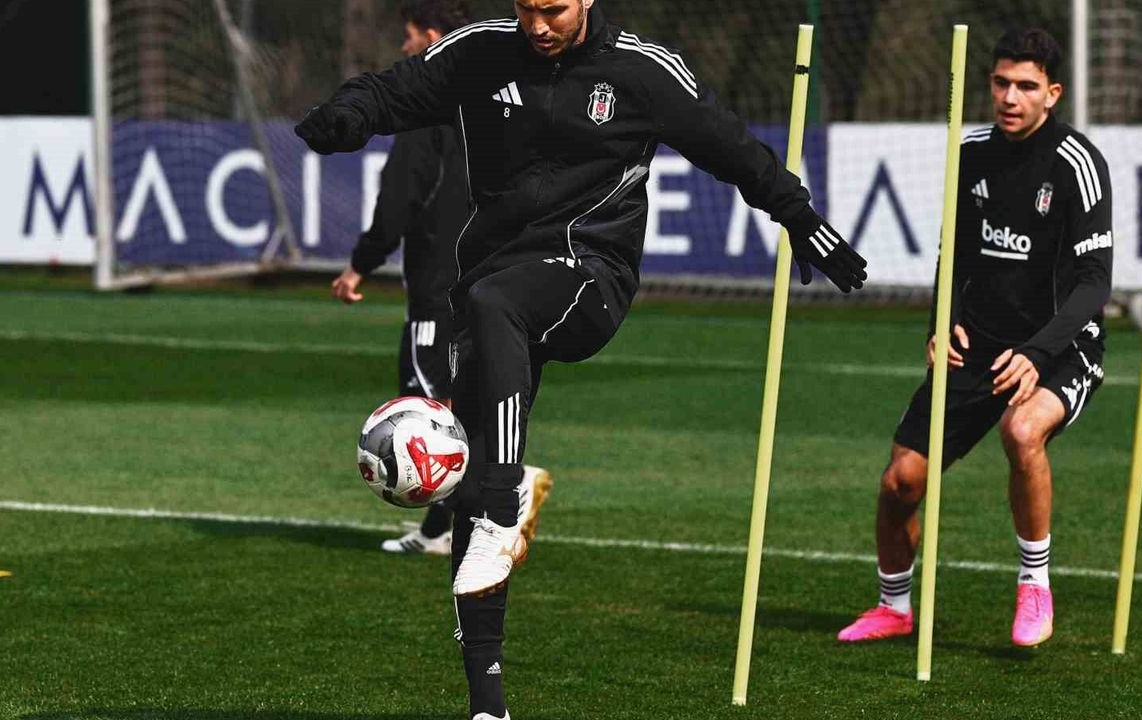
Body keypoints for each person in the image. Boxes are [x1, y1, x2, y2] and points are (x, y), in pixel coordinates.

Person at [297, 1, 867, 717]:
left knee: (495, 363)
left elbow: (732, 149)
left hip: (590, 276)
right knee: (471, 498)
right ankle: (488, 705)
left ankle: (507, 498)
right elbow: (392, 90)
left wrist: (803, 218)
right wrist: (343, 116)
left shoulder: (641, 70)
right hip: (491, 286)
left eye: (554, 8)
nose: (538, 24)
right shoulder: (480, 52)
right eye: (526, 7)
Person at [836, 28, 1112, 648]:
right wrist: (942, 318)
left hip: (1060, 345)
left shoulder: (1078, 164)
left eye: (1027, 86)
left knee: (1023, 431)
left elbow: (1095, 282)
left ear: (1053, 93)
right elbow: (953, 253)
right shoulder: (972, 154)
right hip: (979, 344)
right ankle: (894, 606)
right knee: (900, 481)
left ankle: (1034, 585)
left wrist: (1038, 352)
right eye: (1001, 83)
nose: (1011, 97)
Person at [332, 1, 552, 558]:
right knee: (463, 399)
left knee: (428, 410)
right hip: (495, 275)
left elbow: (397, 202)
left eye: (409, 39)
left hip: (441, 285)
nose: (404, 49)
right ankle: (439, 530)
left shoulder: (427, 111)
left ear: (431, 38)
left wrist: (360, 263)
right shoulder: (499, 99)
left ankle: (510, 484)